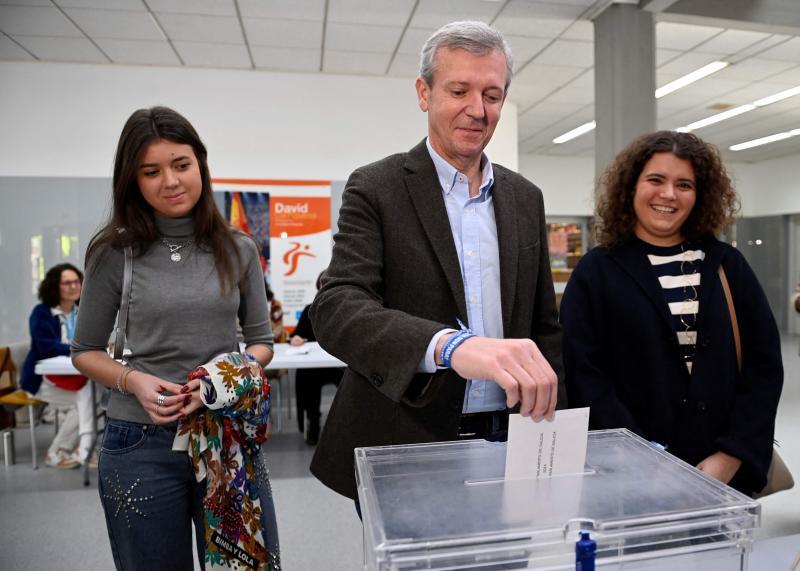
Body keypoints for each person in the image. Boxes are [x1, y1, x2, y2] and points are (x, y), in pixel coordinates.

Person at [309, 21, 565, 501]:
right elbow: (338, 307)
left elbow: (544, 328)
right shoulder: (376, 188)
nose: (477, 110)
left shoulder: (525, 198)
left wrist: (556, 437)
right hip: (407, 436)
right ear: (424, 93)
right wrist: (449, 347)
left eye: (492, 95)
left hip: (512, 436)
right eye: (459, 91)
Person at [71, 106, 280, 570]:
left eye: (181, 165)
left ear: (199, 164)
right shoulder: (114, 252)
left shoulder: (238, 247)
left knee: (243, 566)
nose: (170, 181)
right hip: (139, 443)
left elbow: (261, 343)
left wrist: (220, 381)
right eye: (151, 172)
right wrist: (134, 381)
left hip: (224, 436)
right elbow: (84, 352)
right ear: (133, 180)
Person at [560, 130, 783, 496]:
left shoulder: (728, 265)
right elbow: (584, 374)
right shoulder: (596, 272)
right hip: (629, 478)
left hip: (719, 476)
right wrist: (639, 458)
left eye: (684, 185)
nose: (668, 194)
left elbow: (764, 367)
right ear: (632, 186)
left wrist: (732, 455)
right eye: (656, 180)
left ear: (700, 195)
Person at [21, 263, 94, 469]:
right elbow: (45, 347)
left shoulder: (81, 311)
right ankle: (58, 452)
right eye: (67, 283)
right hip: (42, 381)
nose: (74, 286)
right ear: (55, 287)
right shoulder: (42, 312)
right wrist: (79, 348)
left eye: (77, 281)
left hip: (75, 378)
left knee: (96, 398)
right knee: (85, 404)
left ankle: (86, 449)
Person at [290, 271, 343, 445]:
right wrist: (296, 338)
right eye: (322, 284)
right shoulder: (309, 310)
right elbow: (296, 334)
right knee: (307, 378)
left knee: (351, 381)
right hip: (315, 367)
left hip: (338, 365)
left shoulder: (345, 310)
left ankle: (346, 425)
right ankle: (313, 423)